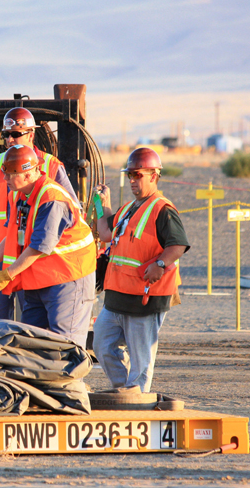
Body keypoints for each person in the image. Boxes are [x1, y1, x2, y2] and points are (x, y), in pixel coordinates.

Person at [0, 145, 96, 347]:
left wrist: (8, 274)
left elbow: (39, 246)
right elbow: (13, 234)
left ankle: (67, 379)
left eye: (10, 175)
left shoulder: (51, 199)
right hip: (41, 279)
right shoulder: (20, 195)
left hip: (68, 278)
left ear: (28, 175)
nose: (5, 180)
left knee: (65, 345)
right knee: (31, 342)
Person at [0, 107, 78, 319]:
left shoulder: (50, 165)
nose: (10, 139)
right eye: (6, 134)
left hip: (31, 256)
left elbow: (70, 211)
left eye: (16, 134)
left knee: (31, 321)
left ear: (31, 134)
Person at [93, 147, 189, 392]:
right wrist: (102, 203)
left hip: (144, 299)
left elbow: (177, 244)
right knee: (102, 346)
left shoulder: (163, 209)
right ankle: (124, 391)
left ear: (154, 176)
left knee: (141, 360)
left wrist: (159, 264)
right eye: (130, 175)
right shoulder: (128, 208)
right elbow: (105, 233)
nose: (133, 181)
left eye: (138, 175)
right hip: (116, 298)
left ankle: (137, 399)